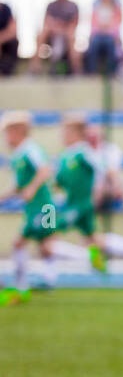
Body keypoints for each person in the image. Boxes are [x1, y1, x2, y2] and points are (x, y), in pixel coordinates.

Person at [1, 111, 59, 304]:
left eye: (8, 132)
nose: (5, 138)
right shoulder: (18, 156)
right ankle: (44, 281)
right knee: (47, 248)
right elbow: (19, 186)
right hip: (34, 209)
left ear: (18, 131)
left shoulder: (30, 149)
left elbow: (45, 169)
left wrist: (32, 188)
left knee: (22, 244)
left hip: (44, 207)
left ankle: (22, 287)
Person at [54, 112, 107, 273]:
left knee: (50, 231)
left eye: (66, 132)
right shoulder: (65, 156)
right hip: (73, 202)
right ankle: (98, 262)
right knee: (90, 236)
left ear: (77, 133)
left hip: (80, 204)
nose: (63, 136)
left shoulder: (83, 152)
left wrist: (100, 189)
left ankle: (49, 276)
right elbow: (59, 181)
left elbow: (101, 168)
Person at [35, 0, 81, 74]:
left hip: (67, 33)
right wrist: (56, 28)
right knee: (41, 34)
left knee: (71, 35)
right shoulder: (51, 5)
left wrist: (62, 28)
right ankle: (35, 68)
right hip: (53, 33)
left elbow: (74, 23)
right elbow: (47, 21)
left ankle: (77, 70)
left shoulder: (72, 5)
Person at [84, 0, 122, 77]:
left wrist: (107, 29)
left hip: (110, 36)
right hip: (98, 35)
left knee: (110, 44)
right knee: (94, 43)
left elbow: (115, 27)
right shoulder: (97, 10)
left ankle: (111, 73)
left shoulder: (115, 11)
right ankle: (92, 72)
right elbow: (94, 26)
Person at [0, 0, 18, 75]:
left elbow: (13, 30)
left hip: (6, 39)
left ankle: (7, 70)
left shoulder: (6, 9)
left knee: (14, 42)